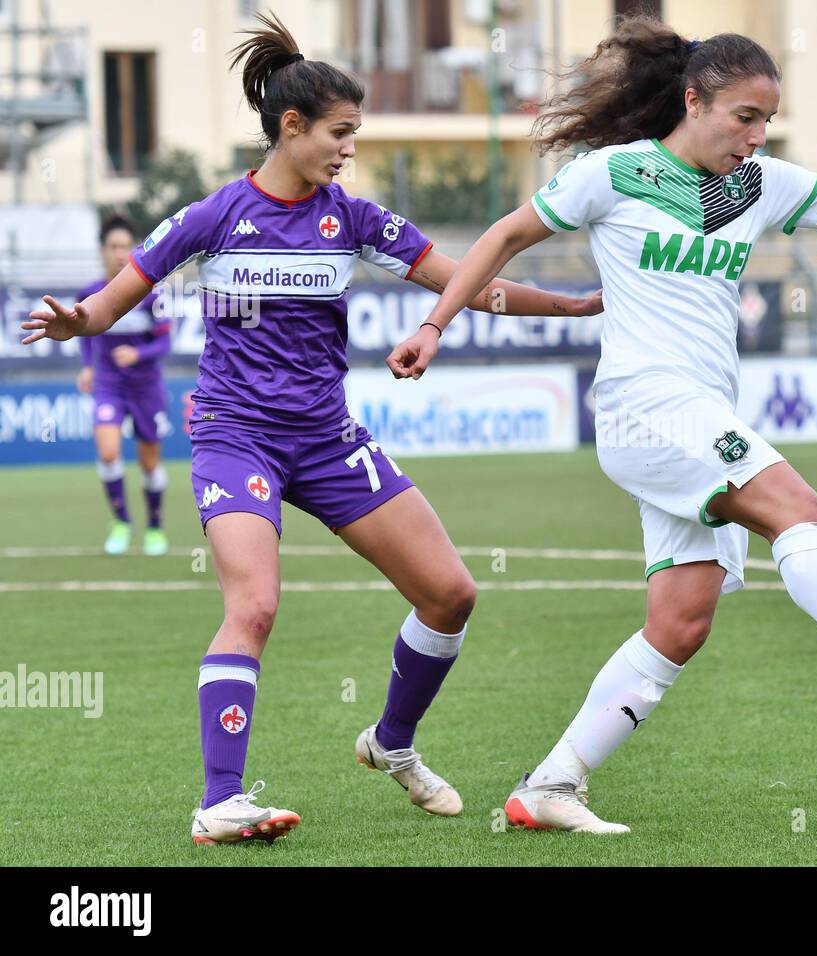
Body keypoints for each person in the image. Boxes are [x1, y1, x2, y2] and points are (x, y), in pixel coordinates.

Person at [386, 17, 817, 834]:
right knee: (795, 507)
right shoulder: (614, 173)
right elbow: (506, 236)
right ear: (693, 101)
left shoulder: (753, 186)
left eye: (768, 120)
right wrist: (436, 325)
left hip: (694, 418)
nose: (758, 136)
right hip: (644, 403)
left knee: (681, 623)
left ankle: (550, 786)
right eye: (744, 116)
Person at [23, 12, 601, 845]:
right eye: (339, 132)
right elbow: (116, 300)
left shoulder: (354, 220)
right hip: (235, 434)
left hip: (327, 439)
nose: (348, 149)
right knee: (253, 605)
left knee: (450, 594)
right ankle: (221, 801)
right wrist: (79, 320)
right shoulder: (214, 215)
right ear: (289, 128)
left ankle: (392, 743)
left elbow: (471, 281)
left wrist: (574, 304)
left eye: (355, 134)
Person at [77, 215, 173, 556]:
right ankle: (120, 521)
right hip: (108, 386)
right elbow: (84, 336)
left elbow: (165, 344)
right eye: (113, 246)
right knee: (108, 452)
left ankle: (155, 527)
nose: (120, 253)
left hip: (146, 387)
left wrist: (138, 352)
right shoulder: (89, 293)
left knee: (149, 464)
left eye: (125, 246)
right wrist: (88, 367)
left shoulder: (151, 295)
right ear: (102, 251)